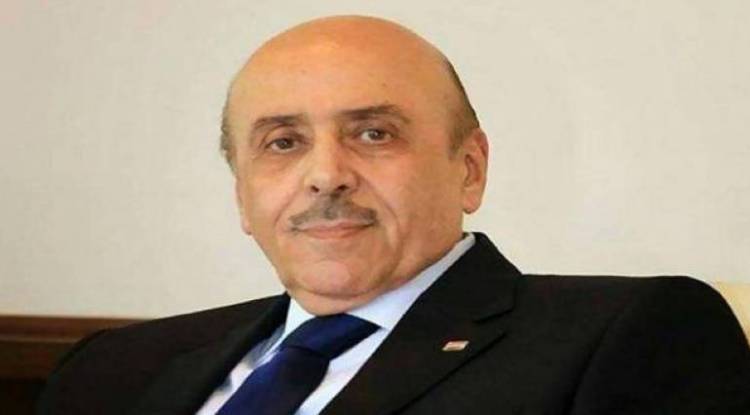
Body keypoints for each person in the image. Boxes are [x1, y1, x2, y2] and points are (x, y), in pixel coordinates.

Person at [38, 15, 750, 415]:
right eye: (283, 142)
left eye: (374, 133)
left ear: (469, 168)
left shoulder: (631, 335)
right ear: (242, 195)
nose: (326, 175)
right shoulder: (113, 369)